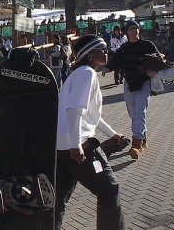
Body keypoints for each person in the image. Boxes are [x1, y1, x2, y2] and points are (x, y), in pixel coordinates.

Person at [55, 34, 126, 230]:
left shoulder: (78, 74)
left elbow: (90, 115)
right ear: (88, 55)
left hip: (61, 146)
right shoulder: (87, 74)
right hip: (77, 146)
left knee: (58, 198)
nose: (106, 51)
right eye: (101, 49)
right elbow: (75, 111)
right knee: (109, 190)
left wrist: (112, 134)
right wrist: (77, 146)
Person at [103, 20, 160, 159]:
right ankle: (142, 133)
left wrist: (153, 70)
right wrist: (107, 68)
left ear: (139, 31)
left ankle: (136, 144)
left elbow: (159, 59)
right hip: (129, 83)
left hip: (144, 82)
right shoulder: (124, 48)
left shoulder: (147, 45)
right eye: (131, 29)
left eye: (136, 28)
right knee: (133, 113)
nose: (134, 31)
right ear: (126, 32)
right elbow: (115, 60)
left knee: (140, 112)